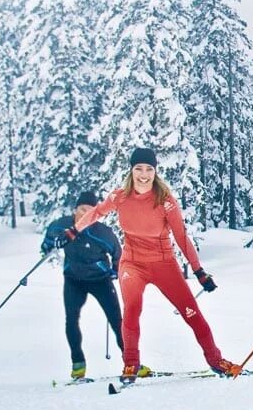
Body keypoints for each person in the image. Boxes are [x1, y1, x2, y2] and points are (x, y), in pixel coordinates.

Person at [55, 147, 239, 382]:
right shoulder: (120, 196)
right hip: (132, 263)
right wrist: (73, 230)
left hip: (164, 264)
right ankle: (130, 365)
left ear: (155, 171)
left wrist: (199, 271)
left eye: (149, 169)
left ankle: (216, 360)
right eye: (139, 168)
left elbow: (181, 236)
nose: (144, 174)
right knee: (131, 310)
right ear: (131, 171)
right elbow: (97, 213)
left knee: (191, 313)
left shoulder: (165, 201)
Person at [42, 190, 124, 380]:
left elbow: (118, 253)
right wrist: (49, 245)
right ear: (75, 209)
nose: (84, 214)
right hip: (73, 279)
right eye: (82, 209)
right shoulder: (61, 226)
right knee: (71, 319)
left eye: (90, 210)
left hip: (100, 280)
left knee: (117, 320)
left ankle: (131, 361)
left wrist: (114, 270)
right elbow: (48, 241)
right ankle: (78, 365)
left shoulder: (102, 232)